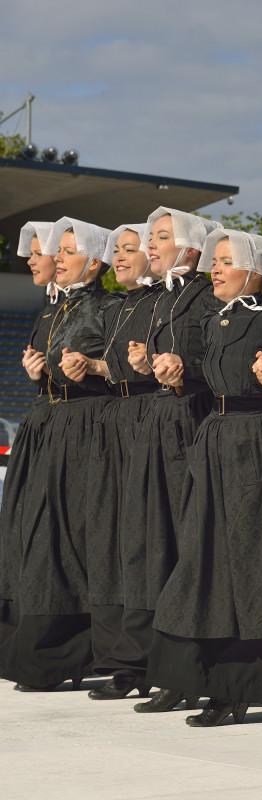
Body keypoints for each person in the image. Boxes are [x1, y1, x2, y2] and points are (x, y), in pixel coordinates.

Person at [148, 229, 262, 727]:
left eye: (225, 262)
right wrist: (180, 373)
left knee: (251, 562)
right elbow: (208, 374)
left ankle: (240, 684)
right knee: (205, 559)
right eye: (214, 261)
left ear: (255, 271)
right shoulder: (215, 322)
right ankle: (193, 674)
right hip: (216, 443)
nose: (214, 269)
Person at [0, 217, 115, 691]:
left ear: (92, 262)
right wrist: (38, 373)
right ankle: (25, 642)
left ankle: (61, 650)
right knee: (28, 530)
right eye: (57, 250)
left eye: (66, 251)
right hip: (45, 423)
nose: (54, 258)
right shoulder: (50, 311)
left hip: (82, 430)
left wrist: (92, 368)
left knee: (63, 537)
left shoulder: (109, 307)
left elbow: (126, 373)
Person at [59, 224, 165, 700]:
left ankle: (138, 660)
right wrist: (88, 367)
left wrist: (110, 368)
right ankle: (113, 652)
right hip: (114, 418)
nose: (120, 258)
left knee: (141, 540)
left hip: (147, 416)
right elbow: (105, 364)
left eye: (131, 250)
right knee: (107, 537)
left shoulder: (159, 304)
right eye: (116, 251)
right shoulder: (119, 308)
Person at [124, 207, 223, 713]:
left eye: (161, 237)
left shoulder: (206, 297)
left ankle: (188, 671)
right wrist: (149, 366)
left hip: (193, 421)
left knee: (186, 544)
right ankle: (157, 664)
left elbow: (220, 359)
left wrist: (186, 369)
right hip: (163, 420)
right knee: (156, 539)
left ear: (189, 248)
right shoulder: (168, 297)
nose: (151, 244)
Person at [0, 222, 61, 650]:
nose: (29, 260)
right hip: (41, 422)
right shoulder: (46, 311)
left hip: (66, 428)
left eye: (38, 252)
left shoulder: (91, 308)